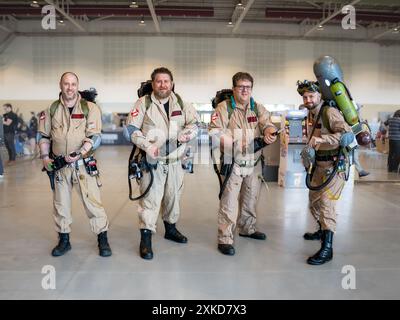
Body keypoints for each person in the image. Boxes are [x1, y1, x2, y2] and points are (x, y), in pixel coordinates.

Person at [125, 67, 199, 260]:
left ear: (172, 83)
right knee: (150, 200)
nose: (163, 85)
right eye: (159, 81)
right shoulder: (143, 103)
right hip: (152, 161)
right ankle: (146, 238)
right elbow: (131, 129)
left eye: (166, 81)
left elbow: (195, 124)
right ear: (153, 83)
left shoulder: (182, 103)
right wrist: (146, 146)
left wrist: (187, 134)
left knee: (173, 197)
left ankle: (170, 229)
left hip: (175, 161)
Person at [38, 72, 112, 257]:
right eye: (66, 84)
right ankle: (64, 240)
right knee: (60, 204)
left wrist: (79, 153)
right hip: (59, 166)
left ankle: (102, 239)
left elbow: (95, 136)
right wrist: (45, 158)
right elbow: (43, 136)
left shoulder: (90, 108)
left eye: (73, 84)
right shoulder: (51, 109)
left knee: (93, 203)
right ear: (60, 85)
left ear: (77, 86)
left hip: (83, 165)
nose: (69, 87)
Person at [209, 72, 278, 256]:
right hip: (233, 162)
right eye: (241, 86)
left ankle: (248, 229)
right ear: (234, 89)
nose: (245, 90)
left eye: (248, 87)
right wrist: (232, 143)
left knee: (250, 198)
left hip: (254, 162)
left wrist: (270, 131)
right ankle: (225, 239)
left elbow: (267, 123)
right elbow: (215, 132)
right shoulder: (224, 108)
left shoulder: (257, 107)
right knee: (229, 202)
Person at [298, 80, 352, 265]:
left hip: (335, 166)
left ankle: (327, 248)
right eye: (305, 97)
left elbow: (345, 134)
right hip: (318, 165)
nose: (308, 99)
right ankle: (322, 229)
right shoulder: (310, 114)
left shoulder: (329, 112)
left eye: (311, 96)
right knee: (313, 201)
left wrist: (320, 140)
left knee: (327, 204)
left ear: (319, 95)